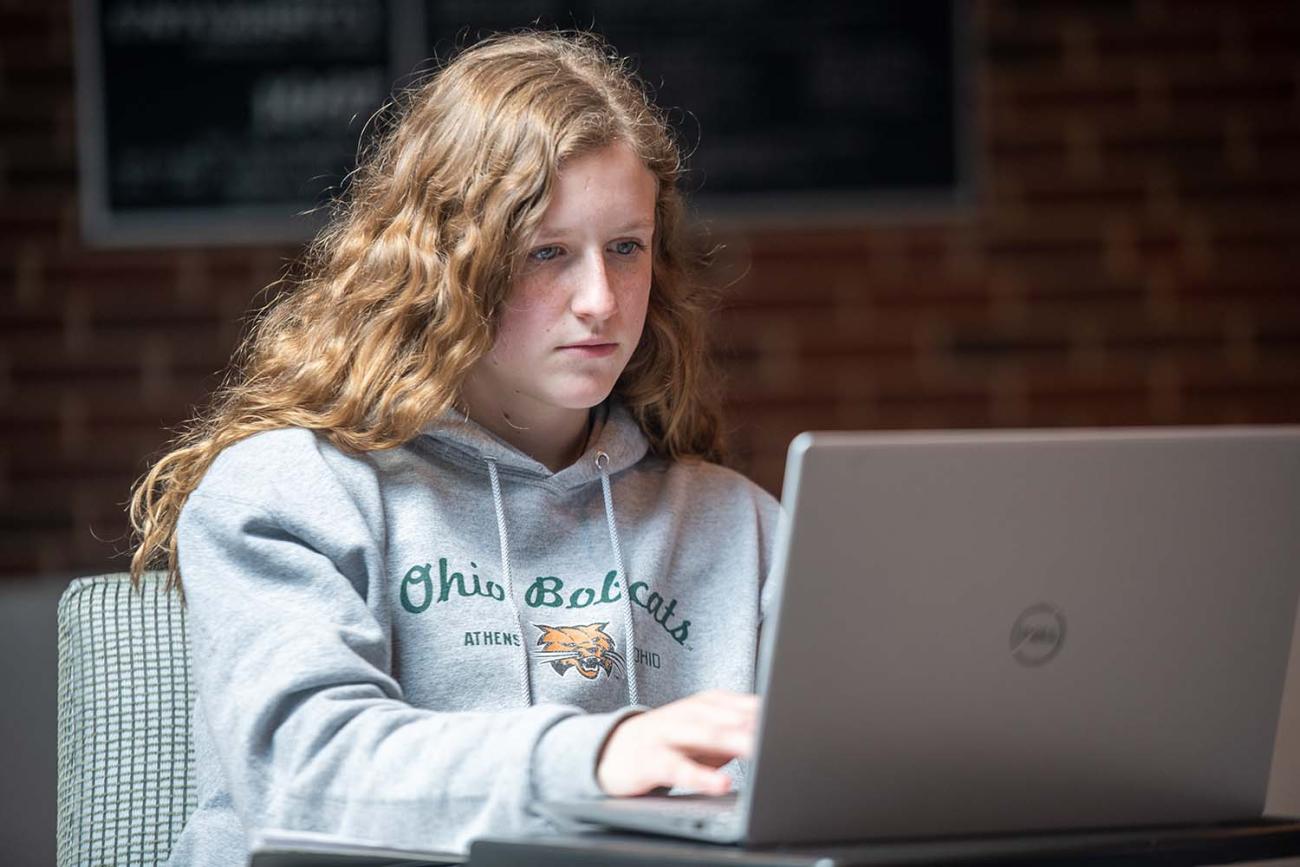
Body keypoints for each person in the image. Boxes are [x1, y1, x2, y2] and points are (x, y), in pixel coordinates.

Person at [128, 30, 781, 862]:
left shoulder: (742, 525)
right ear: (446, 266)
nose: (601, 300)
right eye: (547, 252)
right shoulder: (287, 489)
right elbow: (305, 775)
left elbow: (846, 770)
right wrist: (600, 754)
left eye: (626, 247)